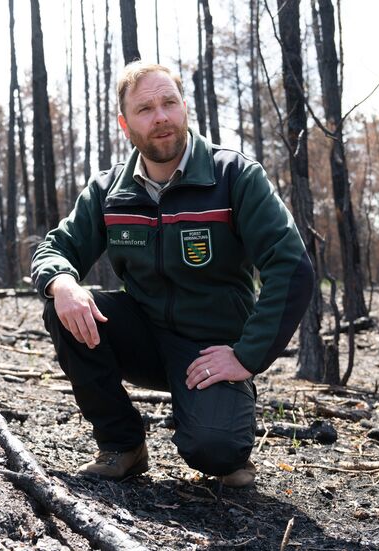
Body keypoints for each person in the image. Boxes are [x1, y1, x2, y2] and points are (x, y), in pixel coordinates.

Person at [31, 61, 313, 488]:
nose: (160, 117)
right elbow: (56, 247)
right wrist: (62, 283)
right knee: (65, 307)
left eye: (169, 103)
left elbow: (291, 266)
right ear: (126, 125)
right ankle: (122, 446)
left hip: (210, 348)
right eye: (145, 109)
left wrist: (246, 356)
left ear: (185, 109)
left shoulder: (234, 176)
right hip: (142, 334)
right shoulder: (110, 191)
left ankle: (221, 416)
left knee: (215, 453)